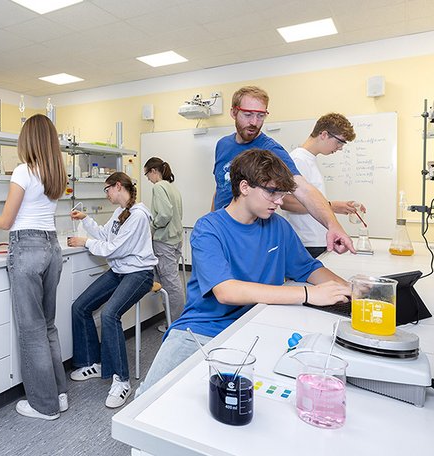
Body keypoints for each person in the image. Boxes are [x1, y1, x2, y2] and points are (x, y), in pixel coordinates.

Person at [139, 148, 350, 394]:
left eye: (282, 193)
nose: (280, 201)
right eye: (272, 192)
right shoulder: (208, 228)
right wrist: (308, 295)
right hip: (201, 329)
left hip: (255, 325)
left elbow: (308, 268)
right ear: (245, 187)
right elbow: (226, 291)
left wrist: (351, 290)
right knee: (149, 398)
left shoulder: (278, 227)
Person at [0, 114, 68, 421]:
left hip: (28, 248)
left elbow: (6, 222)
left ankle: (43, 405)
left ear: (28, 140)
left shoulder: (24, 171)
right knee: (47, 326)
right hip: (52, 247)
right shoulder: (55, 173)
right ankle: (58, 395)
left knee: (32, 330)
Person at [211, 86, 354, 254]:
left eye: (261, 115)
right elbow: (220, 187)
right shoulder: (222, 145)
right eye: (248, 114)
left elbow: (304, 189)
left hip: (250, 239)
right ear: (234, 113)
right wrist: (212, 220)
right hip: (221, 233)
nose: (254, 122)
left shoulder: (271, 150)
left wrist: (333, 225)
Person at [67, 172, 158, 408]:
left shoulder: (138, 216)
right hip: (120, 271)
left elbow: (113, 249)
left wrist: (84, 242)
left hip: (139, 273)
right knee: (80, 307)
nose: (106, 194)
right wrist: (86, 220)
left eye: (107, 189)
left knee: (110, 314)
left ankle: (122, 381)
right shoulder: (120, 212)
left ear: (118, 186)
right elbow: (106, 235)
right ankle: (92, 362)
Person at [284, 113, 364, 258]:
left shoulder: (310, 159)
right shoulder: (298, 159)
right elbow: (286, 202)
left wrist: (338, 206)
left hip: (316, 242)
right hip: (306, 243)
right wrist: (332, 206)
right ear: (324, 134)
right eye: (339, 142)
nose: (340, 148)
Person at [143, 157, 186, 333]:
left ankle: (176, 325)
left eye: (147, 174)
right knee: (170, 280)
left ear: (154, 171)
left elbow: (164, 214)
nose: (147, 179)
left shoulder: (159, 186)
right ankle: (174, 319)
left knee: (171, 283)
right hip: (175, 238)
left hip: (164, 240)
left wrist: (151, 227)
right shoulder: (172, 187)